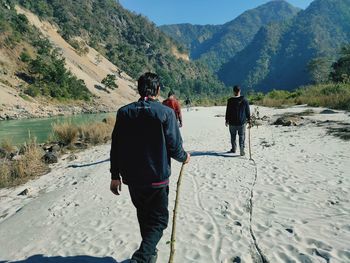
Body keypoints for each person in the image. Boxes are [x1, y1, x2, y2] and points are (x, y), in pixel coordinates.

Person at [110, 72, 190, 263]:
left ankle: (150, 254)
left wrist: (115, 175)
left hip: (133, 179)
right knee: (160, 221)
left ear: (138, 89)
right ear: (158, 90)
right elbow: (174, 146)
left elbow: (116, 147)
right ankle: (142, 257)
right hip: (157, 178)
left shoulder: (124, 112)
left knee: (144, 216)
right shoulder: (165, 113)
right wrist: (184, 157)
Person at [225, 85, 251, 156]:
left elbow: (228, 111)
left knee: (233, 136)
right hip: (241, 122)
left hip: (232, 122)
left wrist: (226, 120)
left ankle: (233, 149)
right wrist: (249, 120)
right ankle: (242, 149)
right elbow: (247, 111)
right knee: (242, 136)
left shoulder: (230, 100)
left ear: (233, 91)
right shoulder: (245, 100)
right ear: (240, 91)